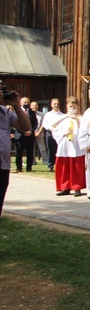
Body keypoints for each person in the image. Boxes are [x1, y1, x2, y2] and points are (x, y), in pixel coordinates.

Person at [0, 86, 31, 219]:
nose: (1, 94)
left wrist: (17, 106)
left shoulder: (6, 112)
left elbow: (26, 127)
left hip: (3, 164)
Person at [51, 97, 87, 197]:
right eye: (70, 105)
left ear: (77, 106)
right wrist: (64, 133)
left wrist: (76, 119)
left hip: (76, 146)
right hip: (64, 145)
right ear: (67, 106)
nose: (72, 107)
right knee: (64, 167)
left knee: (76, 167)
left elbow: (84, 130)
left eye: (74, 105)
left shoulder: (81, 117)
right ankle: (65, 187)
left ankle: (77, 187)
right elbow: (55, 130)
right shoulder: (62, 118)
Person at [41, 98, 65, 171]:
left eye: (57, 104)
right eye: (54, 104)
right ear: (51, 105)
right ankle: (50, 165)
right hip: (50, 133)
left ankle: (58, 165)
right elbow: (44, 124)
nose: (56, 105)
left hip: (60, 134)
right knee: (51, 150)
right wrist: (51, 128)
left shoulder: (62, 115)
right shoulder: (48, 114)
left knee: (59, 149)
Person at [14, 97, 36, 173]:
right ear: (20, 103)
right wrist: (23, 132)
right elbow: (15, 124)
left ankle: (29, 167)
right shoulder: (16, 112)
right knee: (19, 152)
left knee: (30, 152)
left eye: (27, 102)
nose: (26, 104)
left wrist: (31, 131)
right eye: (24, 102)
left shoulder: (32, 112)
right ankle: (19, 167)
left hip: (30, 136)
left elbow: (35, 123)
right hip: (20, 135)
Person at [31, 101, 48, 167]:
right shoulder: (29, 114)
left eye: (36, 105)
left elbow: (43, 124)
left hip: (40, 133)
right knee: (32, 148)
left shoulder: (42, 114)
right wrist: (33, 132)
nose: (34, 107)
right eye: (33, 105)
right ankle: (33, 161)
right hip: (32, 133)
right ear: (31, 106)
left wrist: (39, 132)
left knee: (42, 148)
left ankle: (45, 160)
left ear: (37, 106)